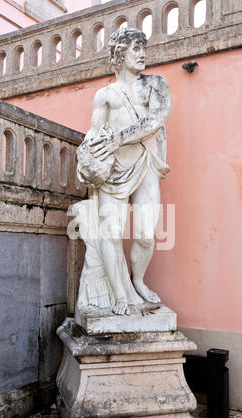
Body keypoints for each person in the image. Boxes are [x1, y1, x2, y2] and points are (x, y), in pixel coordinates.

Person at [75, 27, 171, 316]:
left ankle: (137, 281)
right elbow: (93, 135)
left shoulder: (155, 84)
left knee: (144, 234)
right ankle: (119, 295)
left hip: (144, 162)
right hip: (113, 169)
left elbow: (155, 120)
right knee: (111, 233)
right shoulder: (104, 95)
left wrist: (117, 138)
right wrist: (87, 161)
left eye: (144, 48)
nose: (143, 54)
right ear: (119, 55)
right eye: (135, 48)